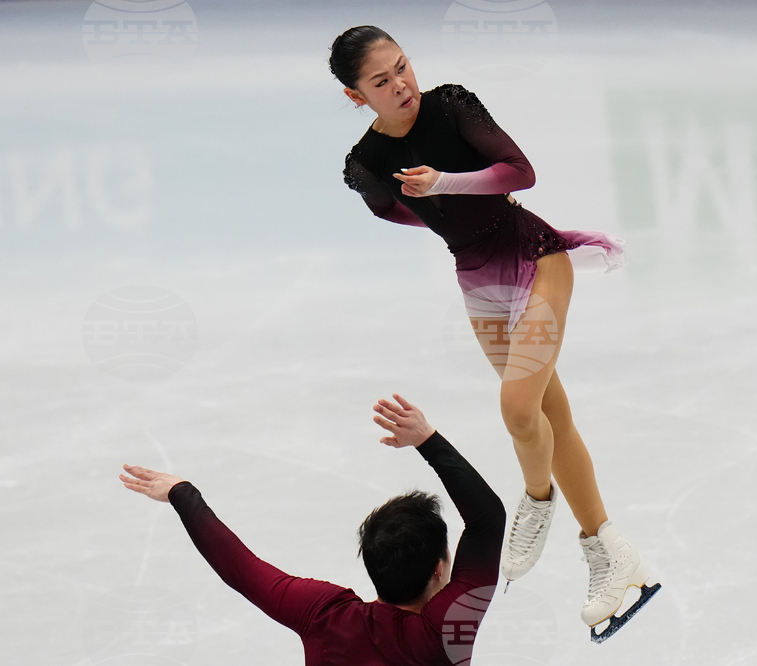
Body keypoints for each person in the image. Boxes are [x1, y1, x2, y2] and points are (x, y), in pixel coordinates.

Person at [330, 26, 659, 639]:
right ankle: (611, 554)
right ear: (357, 97)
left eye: (402, 66)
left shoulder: (451, 104)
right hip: (476, 276)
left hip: (534, 254)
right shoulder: (365, 164)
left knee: (516, 408)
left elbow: (519, 172)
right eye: (381, 81)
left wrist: (445, 182)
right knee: (545, 416)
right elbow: (399, 210)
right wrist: (439, 207)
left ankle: (536, 501)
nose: (401, 84)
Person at [119, 394, 505, 665]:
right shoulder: (442, 632)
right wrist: (427, 440)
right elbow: (488, 522)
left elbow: (240, 568)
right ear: (440, 569)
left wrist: (182, 494)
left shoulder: (324, 615)